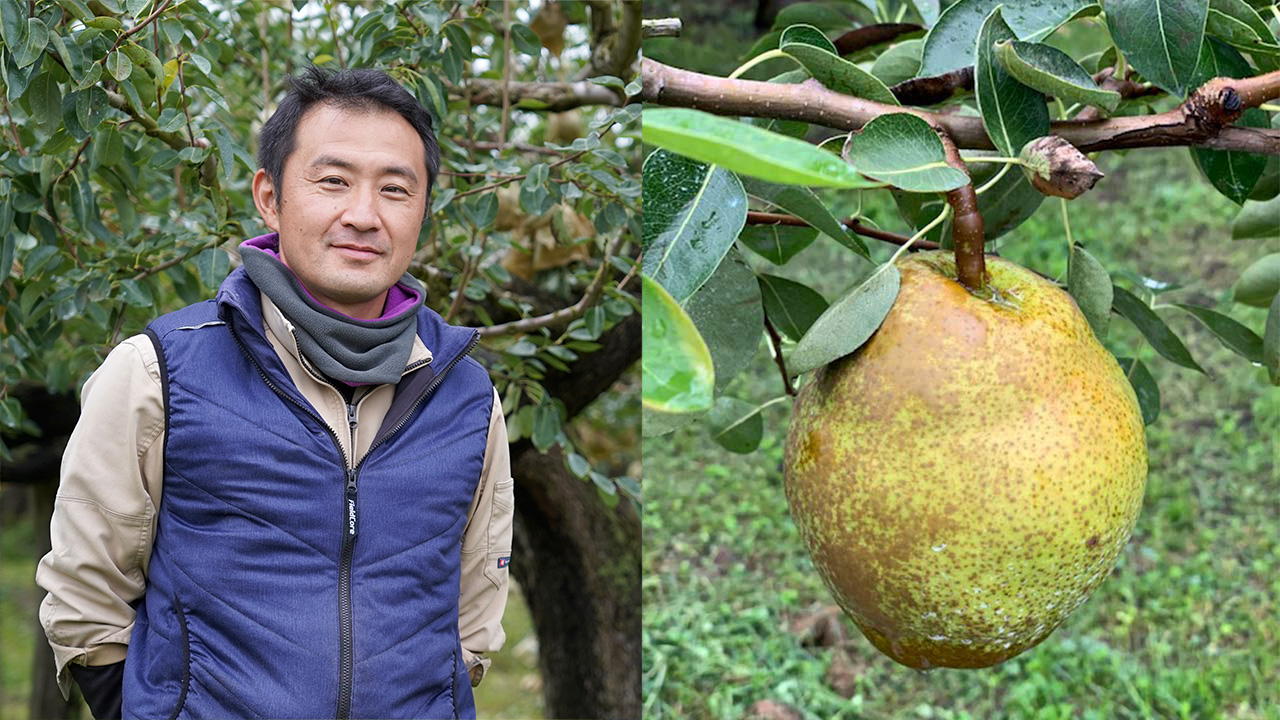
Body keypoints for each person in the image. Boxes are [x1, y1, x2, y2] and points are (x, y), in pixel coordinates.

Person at [35, 66, 513, 719]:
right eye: (333, 181)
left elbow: (476, 603)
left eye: (396, 190)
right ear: (269, 195)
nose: (363, 215)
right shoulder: (160, 373)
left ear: (424, 209)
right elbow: (87, 593)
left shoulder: (464, 393)